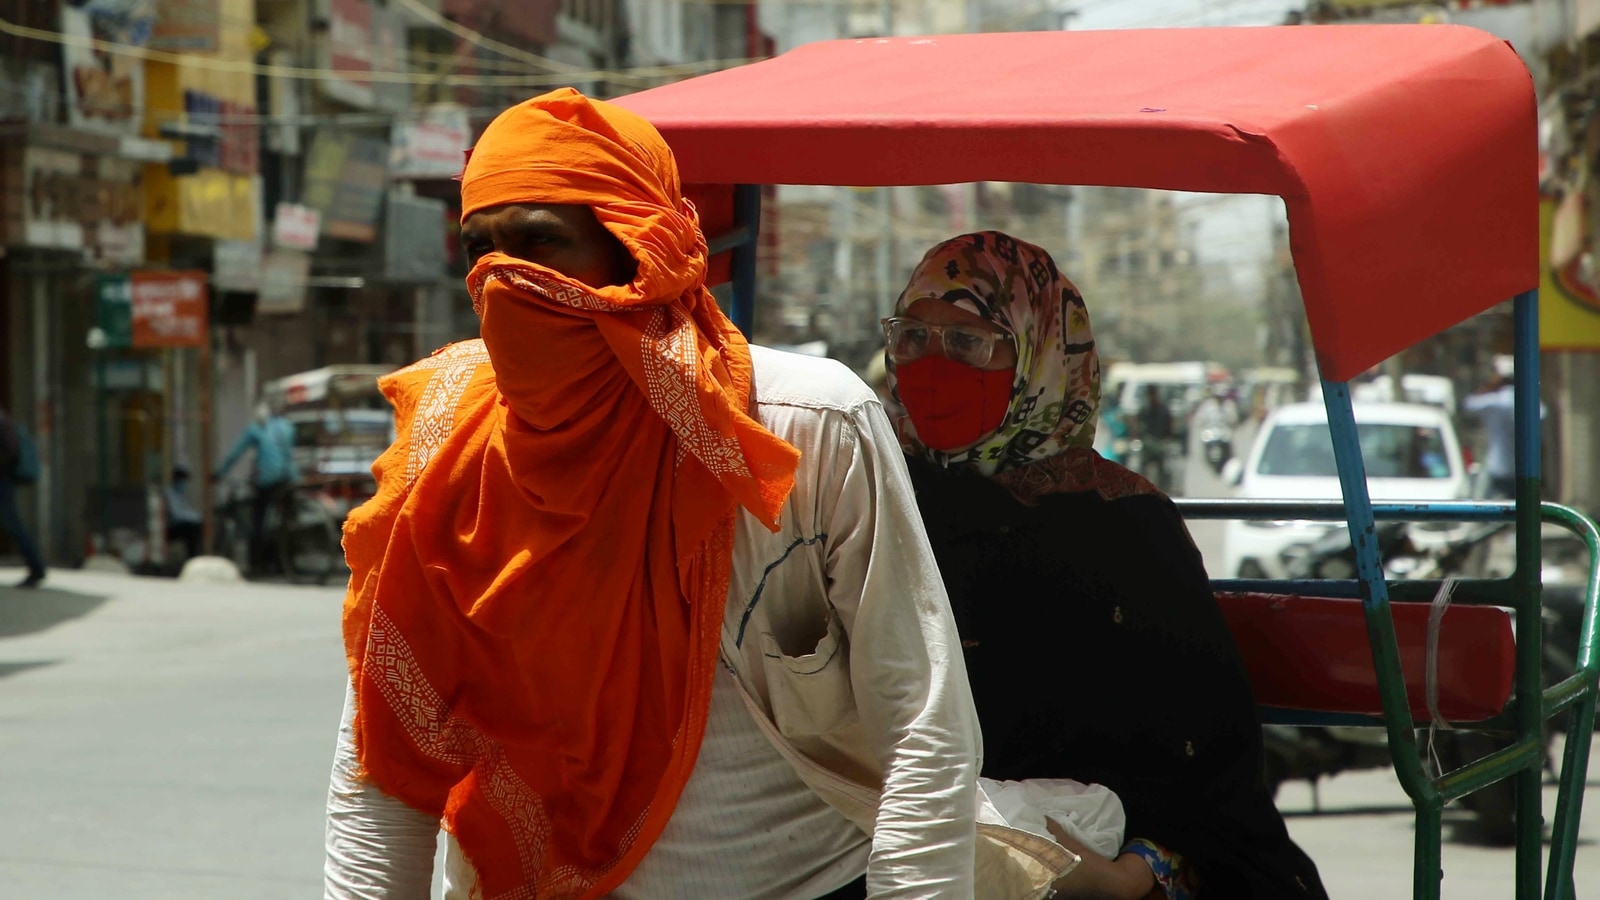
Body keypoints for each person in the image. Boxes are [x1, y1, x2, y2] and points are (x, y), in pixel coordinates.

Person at [324, 89, 991, 900]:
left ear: (639, 251)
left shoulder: (799, 421)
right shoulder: (447, 444)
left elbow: (923, 724)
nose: (506, 279)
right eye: (480, 248)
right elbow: (385, 758)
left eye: (541, 244)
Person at [887, 232, 1329, 899]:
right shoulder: (877, 500)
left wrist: (1131, 876)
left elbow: (1208, 766)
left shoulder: (1128, 528)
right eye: (913, 337)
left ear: (1038, 351)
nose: (931, 364)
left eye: (968, 341)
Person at [214, 399, 299, 568]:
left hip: (269, 480)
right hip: (290, 478)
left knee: (258, 518)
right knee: (287, 519)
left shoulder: (256, 429)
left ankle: (257, 561)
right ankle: (287, 559)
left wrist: (219, 473)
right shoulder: (287, 426)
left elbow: (236, 452)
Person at [1462, 355, 1541, 500]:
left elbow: (1469, 404)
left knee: (1484, 509)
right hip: (1524, 469)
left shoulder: (1494, 402)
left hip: (1497, 466)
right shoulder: (1528, 402)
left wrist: (1489, 386)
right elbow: (1543, 414)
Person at [0, 405, 45, 588]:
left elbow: (9, 451)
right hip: (5, 479)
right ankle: (36, 567)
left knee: (12, 523)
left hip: (2, 480)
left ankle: (36, 567)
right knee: (12, 522)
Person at [164, 465, 204, 562]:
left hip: (180, 525)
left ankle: (197, 556)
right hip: (170, 528)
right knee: (191, 528)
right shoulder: (170, 493)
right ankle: (192, 559)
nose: (185, 483)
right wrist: (197, 517)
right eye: (183, 480)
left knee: (197, 527)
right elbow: (177, 514)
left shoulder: (182, 494)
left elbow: (186, 511)